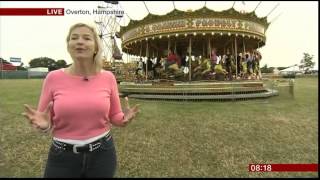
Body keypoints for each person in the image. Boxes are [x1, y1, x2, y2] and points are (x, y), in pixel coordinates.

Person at [21, 22, 140, 178]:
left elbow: (114, 116)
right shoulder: (53, 78)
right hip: (62, 157)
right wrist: (45, 125)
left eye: (86, 38)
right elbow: (45, 120)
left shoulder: (108, 77)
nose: (79, 41)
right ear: (69, 45)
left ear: (96, 47)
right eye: (74, 38)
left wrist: (123, 119)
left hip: (103, 154)